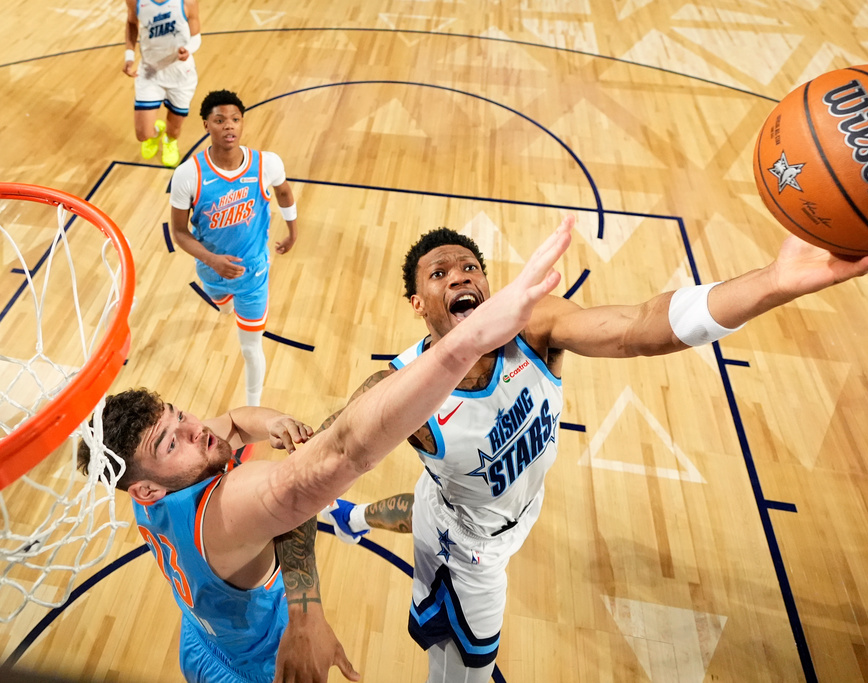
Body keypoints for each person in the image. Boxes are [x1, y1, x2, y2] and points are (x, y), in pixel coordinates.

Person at [321, 216, 868, 682]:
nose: (459, 275)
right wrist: (302, 610)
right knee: (469, 668)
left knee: (431, 499)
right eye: (440, 273)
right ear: (417, 304)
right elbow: (308, 473)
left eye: (470, 267)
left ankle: (355, 519)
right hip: (471, 557)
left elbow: (640, 327)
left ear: (488, 285)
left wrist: (776, 282)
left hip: (487, 505)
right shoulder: (399, 394)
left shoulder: (535, 328)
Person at [77, 221, 573, 683]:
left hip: (202, 640)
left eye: (179, 414)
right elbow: (324, 468)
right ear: (143, 484)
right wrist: (306, 612)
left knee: (419, 509)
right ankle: (347, 523)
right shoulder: (228, 508)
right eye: (171, 438)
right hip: (259, 665)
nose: (195, 429)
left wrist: (269, 422)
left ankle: (352, 519)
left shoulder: (150, 479)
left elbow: (230, 421)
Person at [169, 89, 298, 407]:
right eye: (220, 120)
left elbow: (283, 192)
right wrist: (212, 259)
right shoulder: (188, 174)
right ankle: (225, 304)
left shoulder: (267, 163)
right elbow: (178, 232)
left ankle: (252, 408)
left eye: (235, 119)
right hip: (212, 272)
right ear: (205, 125)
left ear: (242, 124)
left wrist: (293, 231)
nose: (229, 126)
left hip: (254, 276)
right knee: (222, 304)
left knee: (251, 348)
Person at [123, 0, 201, 168]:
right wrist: (129, 56)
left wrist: (189, 50)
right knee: (143, 134)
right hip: (150, 74)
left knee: (174, 131)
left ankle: (169, 141)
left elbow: (196, 36)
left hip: (181, 77)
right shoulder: (135, 2)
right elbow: (131, 22)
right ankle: (156, 132)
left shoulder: (187, 2)